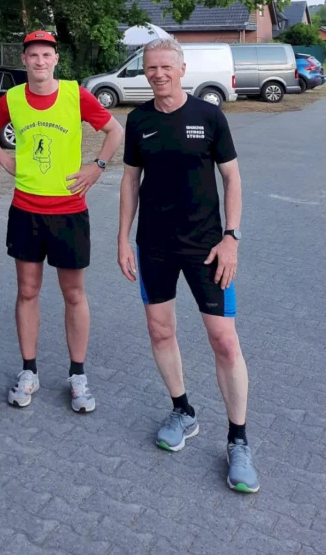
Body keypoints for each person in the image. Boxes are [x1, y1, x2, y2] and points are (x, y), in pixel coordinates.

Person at [118, 36, 259, 493]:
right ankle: (183, 410)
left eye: (165, 67)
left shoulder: (208, 115)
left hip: (207, 248)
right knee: (161, 331)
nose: (158, 74)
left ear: (181, 69)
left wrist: (231, 238)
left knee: (223, 340)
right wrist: (123, 237)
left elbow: (232, 177)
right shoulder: (137, 120)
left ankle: (238, 441)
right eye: (150, 68)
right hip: (154, 245)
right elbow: (129, 182)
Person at [0, 30, 124, 411]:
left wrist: (97, 166)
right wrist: (3, 159)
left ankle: (78, 376)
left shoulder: (76, 95)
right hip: (26, 209)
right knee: (27, 291)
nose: (40, 62)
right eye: (33, 56)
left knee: (74, 293)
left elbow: (114, 130)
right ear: (24, 60)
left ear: (56, 59)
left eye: (46, 55)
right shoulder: (12, 99)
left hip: (69, 212)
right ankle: (29, 371)